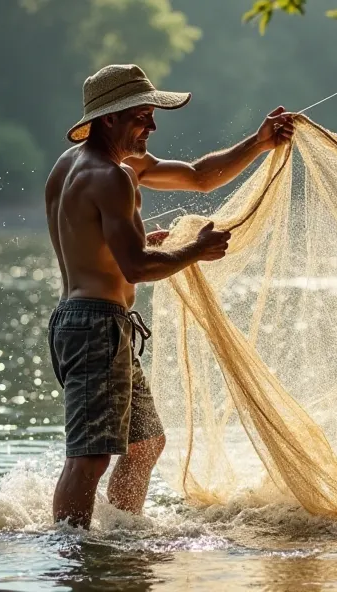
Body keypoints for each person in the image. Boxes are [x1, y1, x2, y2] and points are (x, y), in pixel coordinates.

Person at [44, 63, 296, 529]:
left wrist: (260, 143)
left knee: (144, 446)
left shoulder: (77, 165)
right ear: (110, 118)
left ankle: (119, 534)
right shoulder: (110, 176)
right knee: (90, 458)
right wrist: (194, 250)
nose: (153, 125)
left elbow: (200, 176)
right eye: (142, 115)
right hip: (93, 325)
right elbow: (136, 267)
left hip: (93, 323)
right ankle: (74, 556)